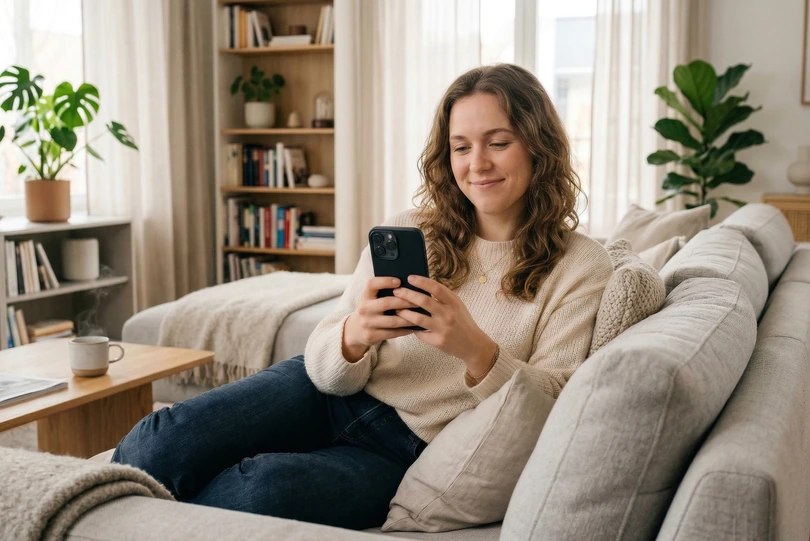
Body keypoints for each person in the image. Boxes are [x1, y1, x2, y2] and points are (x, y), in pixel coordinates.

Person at [111, 63, 613, 530]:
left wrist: (475, 350)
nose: (476, 164)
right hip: (328, 395)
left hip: (405, 452)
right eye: (460, 147)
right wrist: (355, 335)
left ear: (537, 146)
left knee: (259, 489)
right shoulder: (409, 230)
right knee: (163, 440)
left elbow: (555, 402)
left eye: (498, 142)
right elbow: (326, 361)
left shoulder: (581, 265)